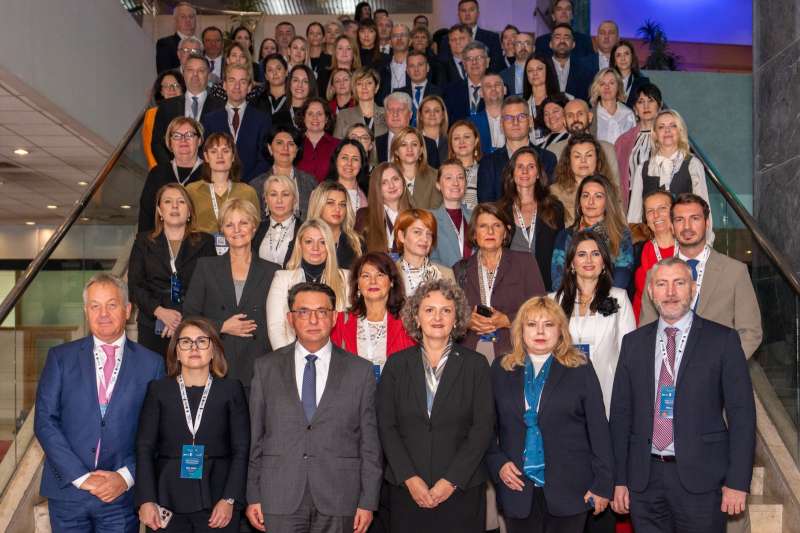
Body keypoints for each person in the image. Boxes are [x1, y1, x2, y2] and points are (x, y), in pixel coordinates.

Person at [609, 256, 756, 531]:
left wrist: (737, 481)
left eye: (679, 283)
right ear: (651, 292)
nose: (670, 292)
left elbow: (742, 414)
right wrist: (619, 479)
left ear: (693, 289)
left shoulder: (722, 340)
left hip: (702, 479)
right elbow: (620, 415)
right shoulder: (633, 344)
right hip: (644, 480)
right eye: (661, 284)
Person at [247, 282, 382, 533]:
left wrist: (368, 501)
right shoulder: (265, 368)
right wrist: (253, 494)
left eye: (322, 311)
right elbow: (256, 437)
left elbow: (370, 443)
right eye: (303, 312)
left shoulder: (360, 371)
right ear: (290, 318)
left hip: (340, 495)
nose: (313, 320)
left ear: (334, 318)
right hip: (279, 494)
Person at [35, 274, 165, 532]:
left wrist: (125, 477)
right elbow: (44, 422)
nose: (103, 314)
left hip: (120, 497)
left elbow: (158, 431)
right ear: (86, 311)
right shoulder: (60, 358)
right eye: (95, 306)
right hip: (68, 494)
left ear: (127, 310)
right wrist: (82, 478)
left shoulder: (152, 364)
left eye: (111, 305)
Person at [487, 296, 613, 533]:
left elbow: (599, 430)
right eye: (532, 324)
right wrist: (498, 463)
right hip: (516, 489)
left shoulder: (580, 368)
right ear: (520, 330)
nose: (540, 331)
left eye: (548, 324)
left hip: (571, 490)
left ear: (560, 330)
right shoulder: (500, 369)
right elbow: (485, 429)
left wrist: (603, 484)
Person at [377, 278, 494, 533]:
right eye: (429, 310)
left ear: (457, 318)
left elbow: (483, 428)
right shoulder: (396, 365)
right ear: (416, 317)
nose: (437, 317)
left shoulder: (476, 365)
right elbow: (386, 426)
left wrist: (450, 481)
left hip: (461, 490)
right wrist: (410, 478)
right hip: (407, 491)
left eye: (446, 310)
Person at [136, 318, 250, 532]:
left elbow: (241, 449)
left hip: (219, 500)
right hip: (166, 498)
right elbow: (144, 448)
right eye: (186, 342)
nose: (194, 348)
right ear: (176, 351)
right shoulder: (158, 390)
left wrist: (230, 498)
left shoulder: (231, 390)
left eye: (202, 341)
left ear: (213, 350)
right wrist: (146, 499)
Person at [639, 194, 763, 359]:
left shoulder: (734, 272)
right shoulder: (655, 274)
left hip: (719, 369)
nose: (687, 226)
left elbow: (750, 332)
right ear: (672, 226)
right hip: (669, 368)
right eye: (679, 220)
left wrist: (723, 366)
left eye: (695, 218)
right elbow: (646, 331)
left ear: (707, 223)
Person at [183, 198, 278, 395]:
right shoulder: (206, 267)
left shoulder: (273, 271)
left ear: (254, 227)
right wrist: (222, 326)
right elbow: (189, 318)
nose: (237, 230)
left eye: (243, 223)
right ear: (222, 231)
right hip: (217, 364)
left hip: (259, 368)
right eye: (229, 225)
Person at [552, 231, 635, 414]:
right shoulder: (553, 301)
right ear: (572, 263)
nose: (589, 260)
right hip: (563, 392)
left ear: (603, 262)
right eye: (582, 254)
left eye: (595, 254)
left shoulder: (619, 298)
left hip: (608, 390)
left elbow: (629, 354)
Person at [129, 183, 216, 356]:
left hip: (193, 323)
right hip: (152, 322)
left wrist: (181, 317)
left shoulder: (205, 242)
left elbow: (210, 286)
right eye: (168, 201)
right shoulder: (143, 241)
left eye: (181, 202)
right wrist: (160, 312)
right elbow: (135, 285)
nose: (175, 206)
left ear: (189, 211)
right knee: (154, 371)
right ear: (159, 211)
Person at [454, 203, 546, 358]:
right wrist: (467, 321)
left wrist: (507, 320)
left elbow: (541, 308)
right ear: (474, 234)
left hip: (513, 351)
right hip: (470, 354)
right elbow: (451, 314)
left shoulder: (525, 262)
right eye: (483, 226)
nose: (490, 231)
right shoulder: (460, 269)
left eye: (497, 225)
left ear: (505, 233)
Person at [266, 219, 351, 348]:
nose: (315, 248)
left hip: (335, 355)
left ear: (330, 246)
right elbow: (276, 328)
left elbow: (349, 328)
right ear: (300, 245)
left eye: (322, 242)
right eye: (309, 241)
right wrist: (288, 358)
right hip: (291, 354)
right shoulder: (282, 279)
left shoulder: (346, 278)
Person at [331, 252, 416, 369]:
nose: (373, 281)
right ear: (358, 284)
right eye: (366, 276)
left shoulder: (408, 322)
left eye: (380, 275)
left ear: (391, 281)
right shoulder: (340, 322)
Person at [497, 146, 565, 291]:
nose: (525, 171)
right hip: (509, 287)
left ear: (538, 173)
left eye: (531, 166)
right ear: (512, 173)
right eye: (520, 166)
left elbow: (560, 252)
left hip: (545, 286)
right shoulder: (500, 211)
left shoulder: (554, 208)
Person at [627, 109, 711, 223]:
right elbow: (634, 215)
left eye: (673, 126)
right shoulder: (643, 169)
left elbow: (703, 209)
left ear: (680, 131)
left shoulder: (693, 164)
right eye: (661, 127)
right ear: (655, 134)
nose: (667, 130)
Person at [551, 174, 633, 290]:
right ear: (579, 201)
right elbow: (558, 279)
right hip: (572, 298)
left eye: (598, 196)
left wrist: (597, 298)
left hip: (609, 297)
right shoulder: (565, 236)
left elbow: (622, 276)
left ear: (607, 202)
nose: (590, 202)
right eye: (585, 196)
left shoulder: (621, 234)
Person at [476, 96, 558, 203]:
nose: (515, 122)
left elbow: (550, 202)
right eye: (509, 118)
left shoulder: (548, 159)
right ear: (501, 124)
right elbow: (486, 206)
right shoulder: (488, 163)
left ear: (530, 122)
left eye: (521, 116)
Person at [185, 132, 259, 244]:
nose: (220, 156)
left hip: (238, 249)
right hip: (200, 251)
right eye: (214, 151)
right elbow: (185, 226)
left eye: (225, 151)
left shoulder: (248, 192)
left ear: (233, 156)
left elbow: (256, 229)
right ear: (206, 157)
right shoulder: (191, 191)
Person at [202, 64, 271, 183]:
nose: (237, 86)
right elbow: (205, 156)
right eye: (232, 80)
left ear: (249, 87)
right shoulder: (210, 120)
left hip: (252, 186)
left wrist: (245, 185)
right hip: (217, 185)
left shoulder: (262, 119)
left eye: (242, 82)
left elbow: (265, 159)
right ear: (224, 85)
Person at [152, 54, 225, 165]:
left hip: (209, 169)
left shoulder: (221, 107)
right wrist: (170, 167)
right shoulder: (166, 107)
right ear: (183, 73)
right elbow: (157, 143)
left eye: (201, 71)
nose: (195, 75)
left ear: (208, 75)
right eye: (190, 70)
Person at [138, 116, 204, 233]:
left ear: (199, 140)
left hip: (202, 241)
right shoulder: (157, 173)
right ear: (170, 142)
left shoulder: (211, 173)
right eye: (176, 136)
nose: (183, 140)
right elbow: (146, 216)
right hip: (162, 242)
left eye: (189, 135)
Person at [546, 99, 621, 190]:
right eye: (570, 116)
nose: (575, 119)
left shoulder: (607, 149)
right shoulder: (553, 151)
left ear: (590, 117)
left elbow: (616, 188)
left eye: (580, 114)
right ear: (564, 122)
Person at [249, 125, 318, 219]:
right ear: (270, 148)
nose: (285, 148)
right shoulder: (256, 185)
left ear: (297, 150)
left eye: (291, 144)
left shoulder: (310, 182)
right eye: (279, 143)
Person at [614, 83, 662, 212]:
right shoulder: (623, 141)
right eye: (641, 102)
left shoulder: (668, 137)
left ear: (659, 106)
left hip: (661, 199)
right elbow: (616, 178)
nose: (646, 106)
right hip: (632, 202)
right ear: (635, 109)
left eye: (650, 101)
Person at [550, 132, 612, 226]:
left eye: (589, 155)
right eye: (577, 156)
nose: (583, 160)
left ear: (598, 159)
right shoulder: (553, 193)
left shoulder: (610, 190)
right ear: (568, 160)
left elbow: (620, 225)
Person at [632, 190, 675, 322]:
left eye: (662, 208)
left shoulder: (688, 249)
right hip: (644, 324)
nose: (656, 215)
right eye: (650, 211)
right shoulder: (638, 251)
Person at [394, 208, 456, 296]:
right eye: (417, 232)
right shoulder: (390, 274)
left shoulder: (445, 274)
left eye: (429, 234)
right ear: (401, 236)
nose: (425, 239)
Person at [356, 162, 412, 254]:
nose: (391, 185)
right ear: (376, 188)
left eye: (395, 179)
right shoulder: (364, 216)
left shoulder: (416, 216)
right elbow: (357, 255)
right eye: (384, 182)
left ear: (403, 182)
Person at [307, 180, 364, 268]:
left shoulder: (357, 243)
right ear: (318, 205)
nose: (337, 209)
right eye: (330, 203)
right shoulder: (302, 238)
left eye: (342, 204)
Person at [376, 91, 441, 167]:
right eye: (391, 110)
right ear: (385, 115)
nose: (395, 114)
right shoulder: (375, 144)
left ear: (410, 115)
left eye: (400, 110)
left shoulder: (428, 145)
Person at [430, 159, 473, 268]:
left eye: (460, 177)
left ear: (466, 184)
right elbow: (431, 259)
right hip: (444, 277)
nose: (456, 183)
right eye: (449, 178)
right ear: (438, 185)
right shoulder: (429, 219)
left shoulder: (476, 217)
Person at [253, 174, 301, 267]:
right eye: (273, 194)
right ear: (266, 199)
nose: (279, 200)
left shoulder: (304, 229)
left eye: (285, 194)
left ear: (295, 199)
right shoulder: (257, 229)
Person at [436, 0, 503, 67]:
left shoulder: (492, 38)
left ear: (478, 13)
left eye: (471, 10)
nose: (467, 14)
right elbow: (442, 65)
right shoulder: (446, 39)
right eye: (463, 11)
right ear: (458, 15)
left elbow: (497, 65)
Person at [390, 126, 443, 209]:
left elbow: (437, 211)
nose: (409, 149)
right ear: (396, 151)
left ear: (421, 150)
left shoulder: (435, 176)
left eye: (414, 144)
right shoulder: (386, 177)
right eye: (403, 145)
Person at [143, 71, 186, 170]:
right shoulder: (152, 113)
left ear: (182, 89)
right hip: (163, 169)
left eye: (176, 85)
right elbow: (150, 147)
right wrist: (165, 170)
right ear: (161, 91)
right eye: (166, 86)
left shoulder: (189, 110)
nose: (171, 89)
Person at [334, 67, 388, 138]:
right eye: (359, 83)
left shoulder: (386, 114)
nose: (364, 87)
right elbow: (337, 143)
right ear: (355, 88)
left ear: (376, 87)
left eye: (369, 83)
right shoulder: (344, 115)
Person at [296, 97, 340, 182]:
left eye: (319, 114)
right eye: (310, 114)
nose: (315, 118)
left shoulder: (338, 145)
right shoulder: (294, 143)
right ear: (304, 118)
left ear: (326, 119)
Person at [443, 40, 489, 123]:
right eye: (469, 59)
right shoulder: (450, 91)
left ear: (487, 62)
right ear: (464, 64)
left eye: (479, 57)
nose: (474, 62)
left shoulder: (497, 89)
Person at [546, 24, 593, 101]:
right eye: (557, 37)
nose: (562, 41)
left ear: (573, 44)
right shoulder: (542, 67)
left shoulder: (585, 70)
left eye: (566, 37)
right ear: (550, 44)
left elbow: (588, 99)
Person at [589, 68, 636, 145]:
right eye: (602, 84)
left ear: (618, 87)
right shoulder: (590, 115)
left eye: (611, 83)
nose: (607, 87)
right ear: (597, 88)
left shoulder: (628, 114)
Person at [325, 138, 370, 208]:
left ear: (361, 164)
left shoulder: (370, 195)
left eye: (355, 159)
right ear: (336, 160)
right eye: (344, 158)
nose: (349, 163)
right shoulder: (322, 193)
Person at [448, 119, 482, 209]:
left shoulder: (485, 171)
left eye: (466, 137)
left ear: (476, 141)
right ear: (451, 143)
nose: (461, 142)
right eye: (456, 138)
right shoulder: (443, 172)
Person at [402, 50, 443, 126]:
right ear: (407, 70)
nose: (416, 69)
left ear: (427, 68)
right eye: (412, 66)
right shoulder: (399, 93)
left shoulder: (440, 92)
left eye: (420, 65)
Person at [253, 54, 292, 128]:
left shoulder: (294, 99)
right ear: (266, 76)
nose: (275, 73)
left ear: (286, 72)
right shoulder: (257, 101)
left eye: (278, 68)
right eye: (270, 70)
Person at [156, 1, 196, 73]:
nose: (188, 20)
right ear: (175, 20)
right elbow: (165, 74)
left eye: (191, 17)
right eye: (183, 17)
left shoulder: (201, 45)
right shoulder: (165, 44)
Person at [377, 23, 413, 103]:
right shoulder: (381, 67)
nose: (399, 38)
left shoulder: (418, 66)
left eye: (403, 35)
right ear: (390, 42)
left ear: (410, 41)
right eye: (395, 36)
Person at [610, 40, 650, 109]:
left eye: (626, 54)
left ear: (632, 57)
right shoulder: (607, 82)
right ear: (614, 61)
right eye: (618, 55)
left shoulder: (643, 83)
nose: (623, 58)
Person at [500, 31, 534, 97]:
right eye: (519, 43)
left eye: (527, 43)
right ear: (514, 49)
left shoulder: (543, 71)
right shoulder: (502, 76)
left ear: (534, 48)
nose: (523, 47)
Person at [418, 95, 450, 163]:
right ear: (420, 116)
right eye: (427, 111)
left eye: (437, 111)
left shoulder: (451, 141)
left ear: (443, 115)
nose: (432, 114)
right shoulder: (414, 140)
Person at [286, 65, 319, 129]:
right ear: (289, 84)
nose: (300, 85)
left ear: (311, 85)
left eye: (305, 81)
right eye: (296, 80)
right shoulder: (278, 115)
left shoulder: (319, 114)